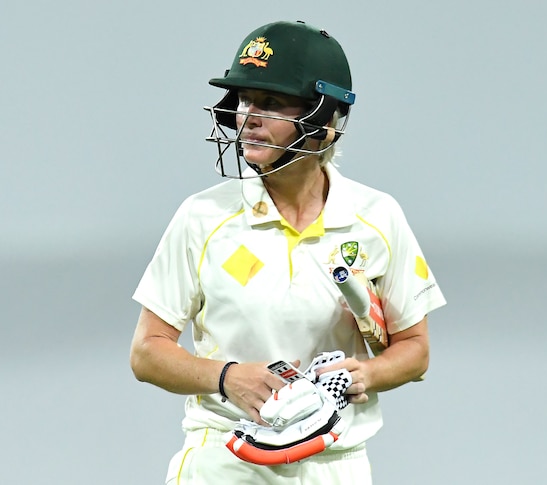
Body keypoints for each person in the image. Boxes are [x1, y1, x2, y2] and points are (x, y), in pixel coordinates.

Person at [129, 20, 446, 484]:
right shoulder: (203, 217)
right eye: (243, 100)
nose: (248, 116)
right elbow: (146, 353)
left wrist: (364, 375)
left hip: (337, 462)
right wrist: (227, 377)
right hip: (226, 459)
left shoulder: (377, 218)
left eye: (271, 103)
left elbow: (415, 351)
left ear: (325, 122)